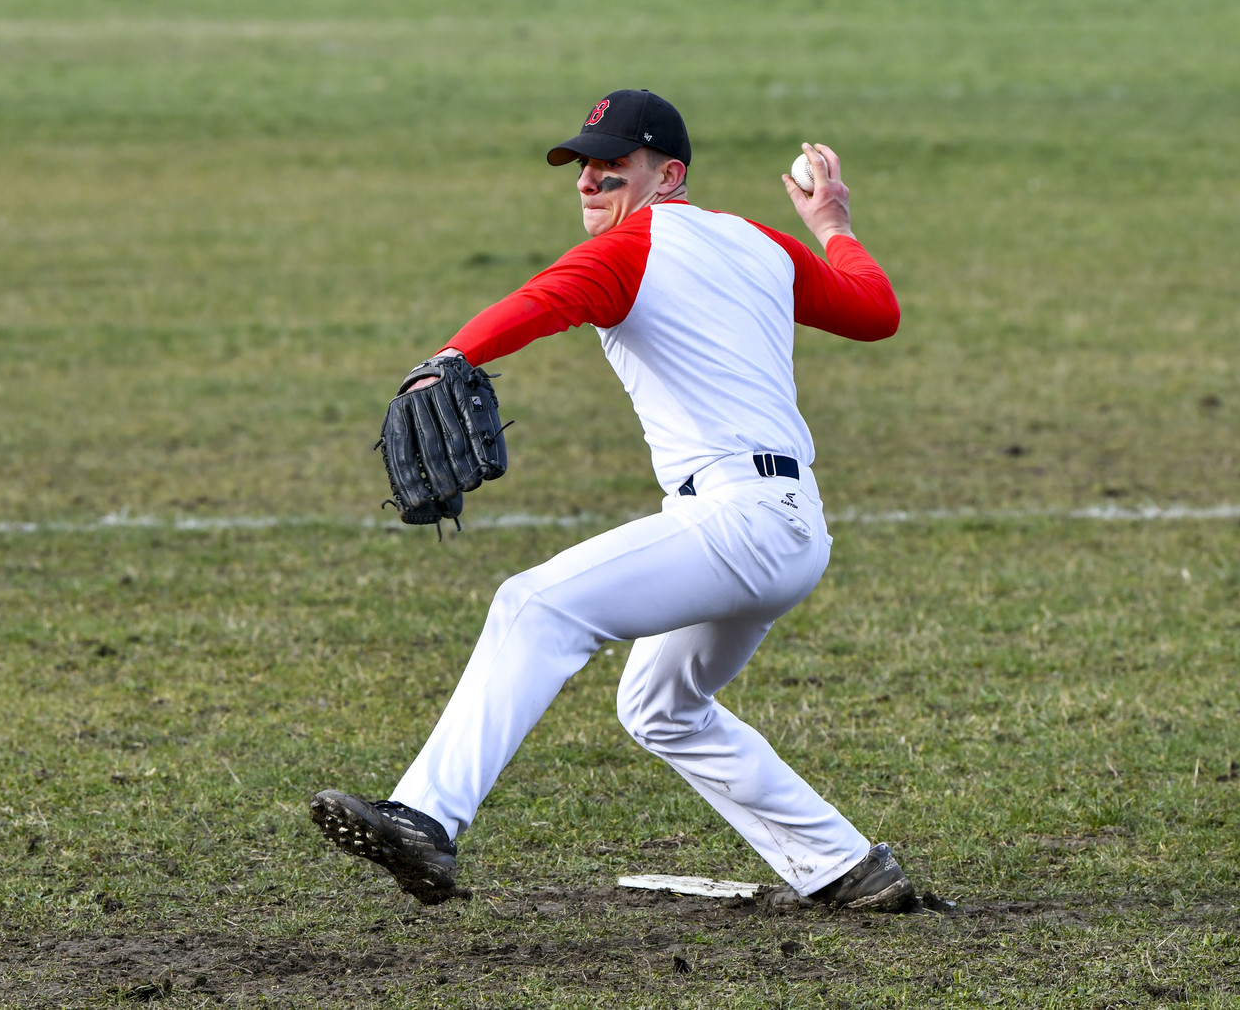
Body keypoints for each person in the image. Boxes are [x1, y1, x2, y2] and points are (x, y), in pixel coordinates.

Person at [311, 89, 915, 912]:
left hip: (733, 523)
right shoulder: (761, 242)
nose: (591, 180)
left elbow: (542, 300)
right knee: (660, 704)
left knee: (532, 605)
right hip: (793, 526)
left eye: (612, 165)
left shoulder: (634, 246)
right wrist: (835, 224)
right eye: (583, 165)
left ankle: (424, 816)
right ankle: (846, 865)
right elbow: (875, 310)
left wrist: (446, 358)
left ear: (669, 174)